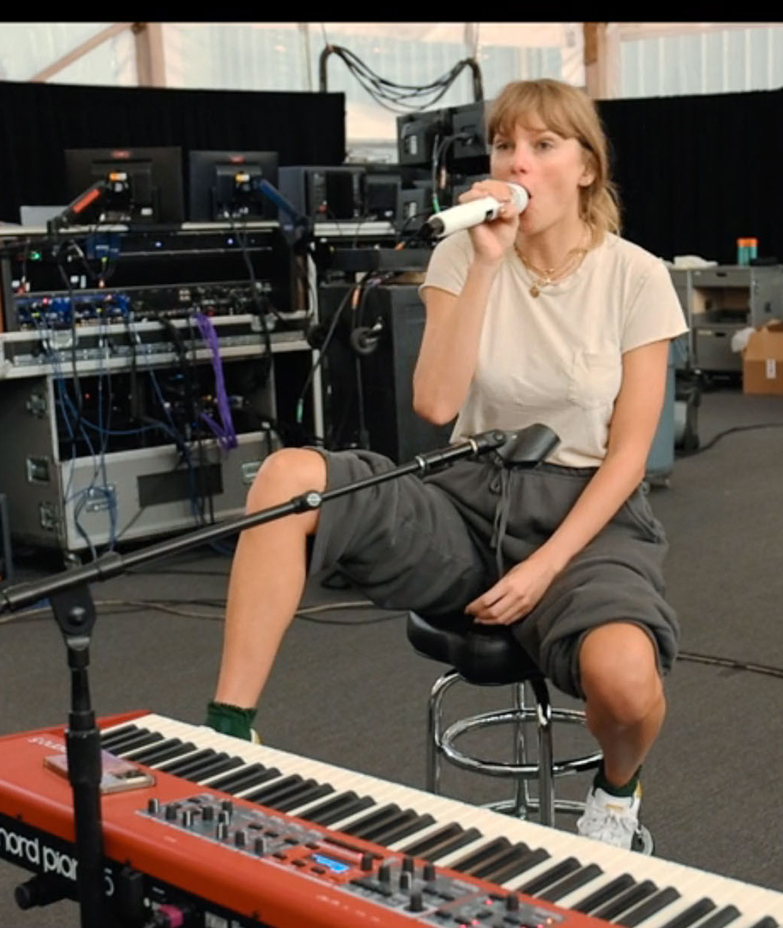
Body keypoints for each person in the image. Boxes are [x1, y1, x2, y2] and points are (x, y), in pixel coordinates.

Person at [202, 78, 687, 851]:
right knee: (287, 477)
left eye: (541, 145)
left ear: (586, 167)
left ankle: (617, 795)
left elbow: (629, 456)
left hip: (586, 515)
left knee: (628, 684)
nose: (517, 163)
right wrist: (487, 265)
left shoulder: (636, 276)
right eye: (504, 145)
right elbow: (433, 402)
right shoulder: (466, 253)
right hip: (469, 493)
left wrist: (543, 568)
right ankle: (229, 737)